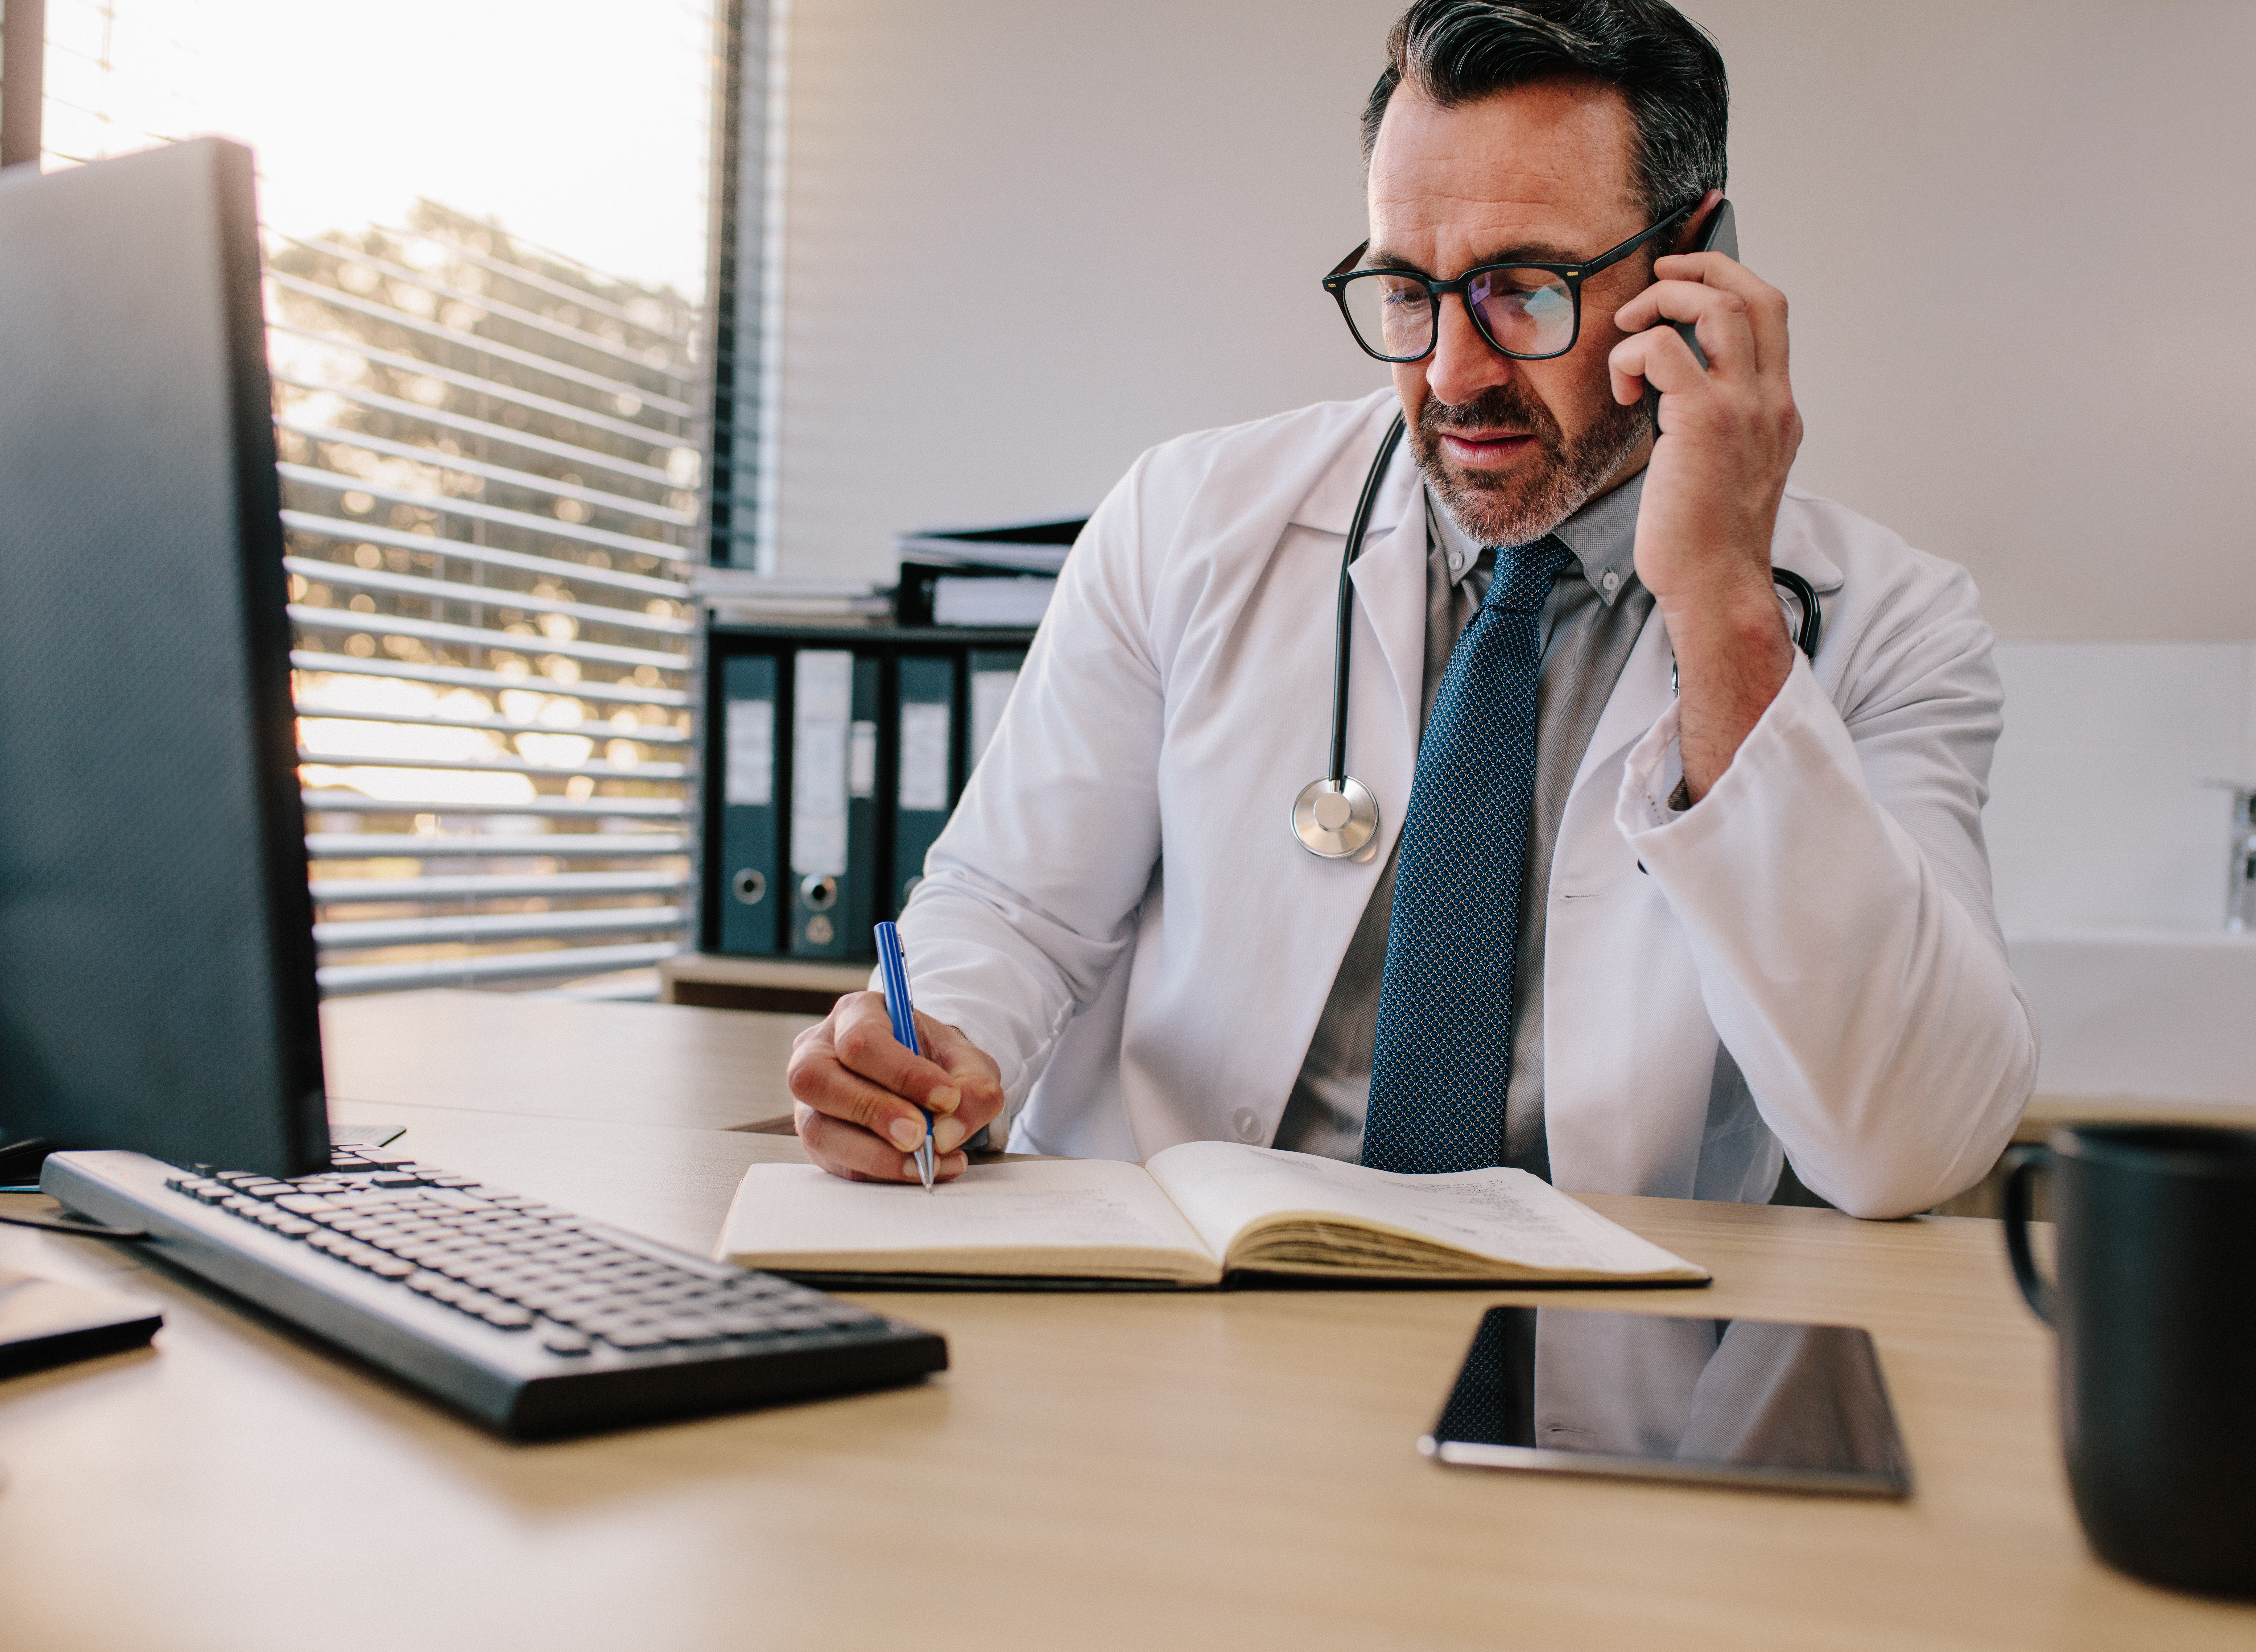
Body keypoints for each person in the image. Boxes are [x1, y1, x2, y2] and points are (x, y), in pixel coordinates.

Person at [784, 0, 2035, 1219]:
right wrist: (930, 1049)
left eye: (1523, 289)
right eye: (1405, 289)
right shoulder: (1187, 519)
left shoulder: (1887, 626)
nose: (1451, 371)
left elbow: (1910, 1144)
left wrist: (1723, 608)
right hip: (1179, 1334)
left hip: (1602, 1365)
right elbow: (1015, 913)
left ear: (1692, 262)